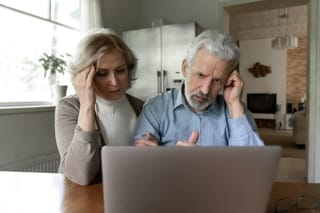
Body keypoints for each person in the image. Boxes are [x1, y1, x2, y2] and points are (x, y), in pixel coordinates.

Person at [133, 30, 264, 147]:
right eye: (200, 75)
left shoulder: (236, 111)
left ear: (227, 81)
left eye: (217, 81)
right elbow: (139, 164)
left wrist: (234, 104)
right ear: (185, 68)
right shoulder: (155, 108)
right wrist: (168, 161)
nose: (205, 90)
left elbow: (252, 166)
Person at [55, 28, 144, 185]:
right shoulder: (69, 107)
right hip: (85, 202)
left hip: (130, 194)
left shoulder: (141, 106)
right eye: (102, 73)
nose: (115, 81)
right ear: (84, 75)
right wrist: (87, 104)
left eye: (120, 71)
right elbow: (80, 175)